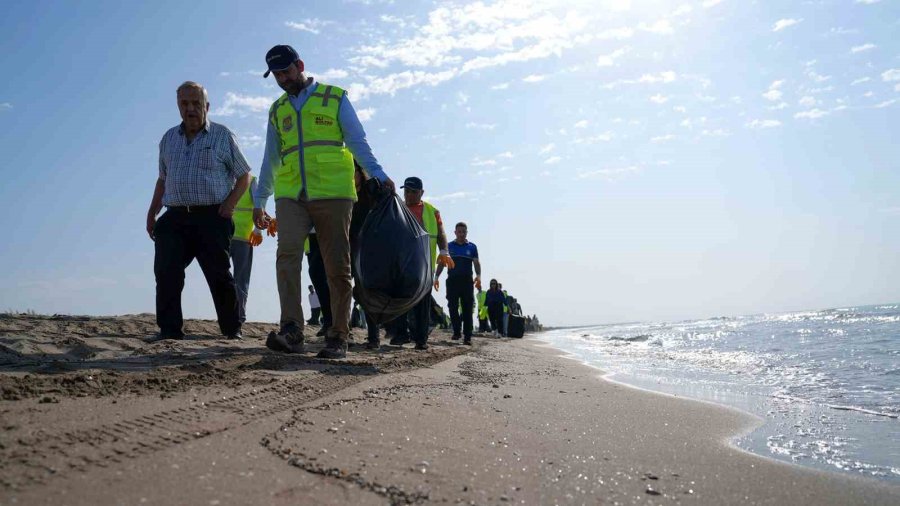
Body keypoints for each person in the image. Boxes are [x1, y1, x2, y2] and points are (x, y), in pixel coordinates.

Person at [253, 45, 394, 359]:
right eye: (276, 75)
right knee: (287, 256)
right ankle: (291, 329)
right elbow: (270, 159)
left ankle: (338, 335)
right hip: (292, 195)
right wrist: (259, 199)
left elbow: (357, 140)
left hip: (333, 194)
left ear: (300, 65)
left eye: (286, 72)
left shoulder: (334, 98)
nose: (282, 79)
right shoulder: (277, 111)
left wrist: (377, 173)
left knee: (336, 266)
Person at [146, 81, 251, 341]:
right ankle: (169, 331)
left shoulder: (222, 135)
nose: (190, 108)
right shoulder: (168, 138)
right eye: (184, 103)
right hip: (176, 215)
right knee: (166, 271)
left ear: (207, 106)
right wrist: (152, 211)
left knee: (218, 274)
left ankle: (232, 328)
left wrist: (229, 206)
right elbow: (163, 178)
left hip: (212, 217)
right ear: (178, 106)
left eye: (196, 103)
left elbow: (244, 175)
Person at [390, 177, 454, 350]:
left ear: (422, 193)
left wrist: (444, 251)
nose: (409, 195)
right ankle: (400, 334)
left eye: (413, 192)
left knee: (422, 303)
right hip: (402, 262)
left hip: (424, 263)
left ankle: (421, 339)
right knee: (400, 299)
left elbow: (441, 233)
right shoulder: (397, 209)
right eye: (406, 191)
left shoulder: (431, 211)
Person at [434, 222, 481, 345]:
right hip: (453, 281)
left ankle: (467, 336)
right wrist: (436, 277)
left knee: (467, 309)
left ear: (466, 233)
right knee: (452, 307)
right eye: (459, 232)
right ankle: (456, 332)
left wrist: (478, 276)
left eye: (463, 232)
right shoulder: (449, 246)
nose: (461, 234)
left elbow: (476, 263)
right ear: (455, 232)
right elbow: (442, 263)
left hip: (467, 282)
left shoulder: (472, 247)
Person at [230, 175, 265, 326]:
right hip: (242, 237)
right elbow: (259, 204)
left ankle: (229, 316)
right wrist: (257, 230)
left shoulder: (221, 174)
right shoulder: (251, 180)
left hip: (224, 234)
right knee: (241, 279)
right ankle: (238, 317)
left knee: (223, 278)